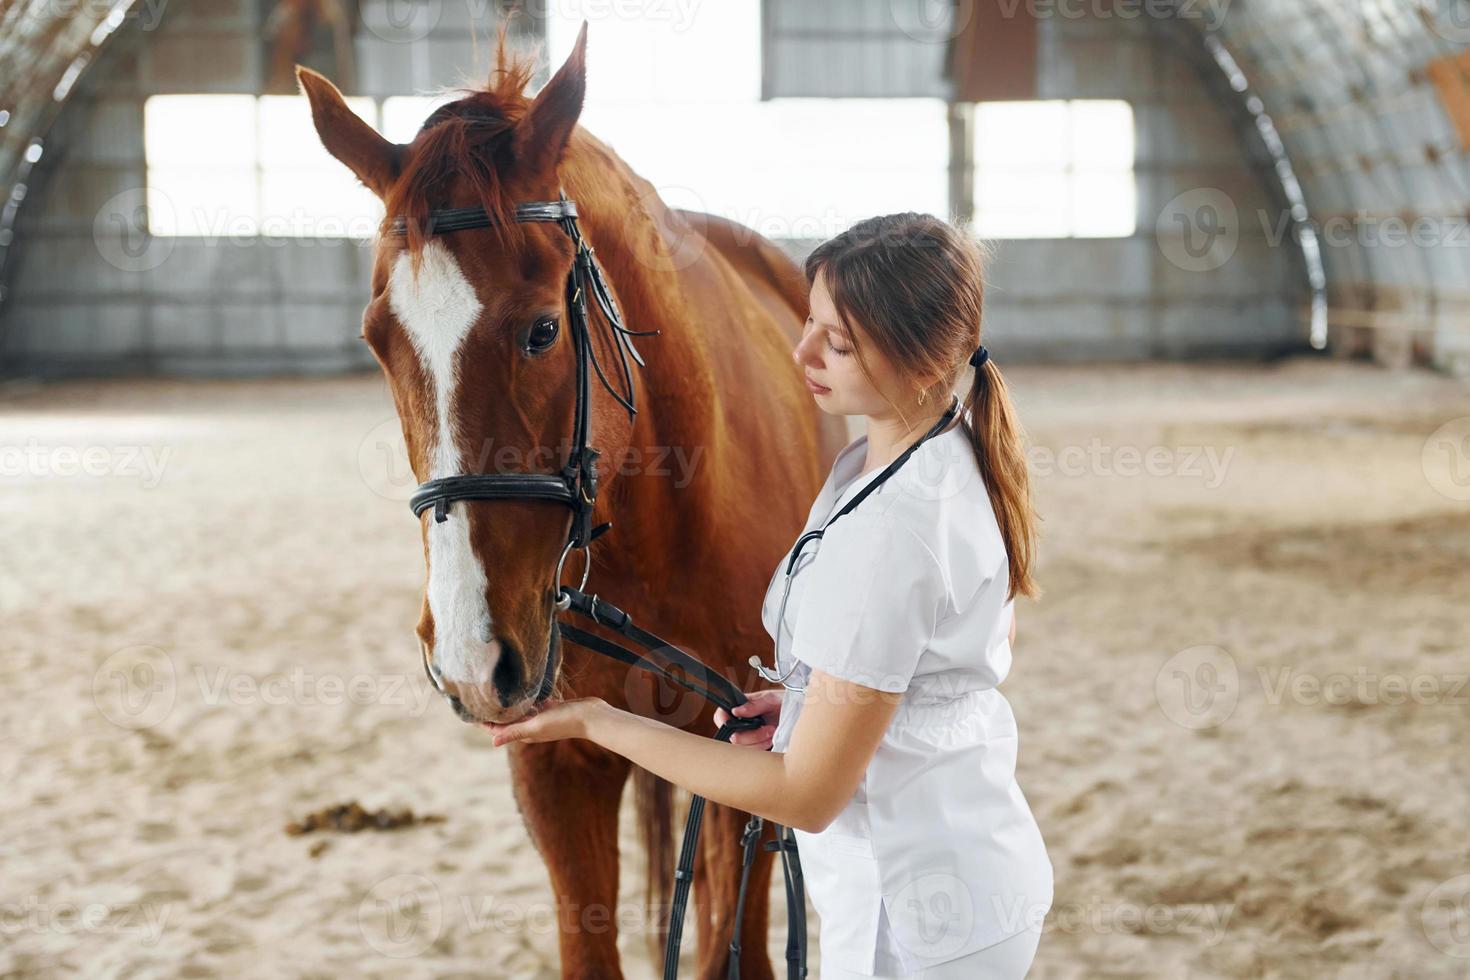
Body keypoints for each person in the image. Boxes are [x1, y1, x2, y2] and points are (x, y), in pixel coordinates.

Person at [484, 212, 1053, 978]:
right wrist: (819, 700)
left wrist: (599, 722)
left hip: (922, 916)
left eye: (838, 343)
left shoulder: (897, 526)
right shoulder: (915, 453)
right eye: (811, 323)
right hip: (957, 870)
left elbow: (805, 796)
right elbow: (958, 653)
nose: (802, 352)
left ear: (923, 359)